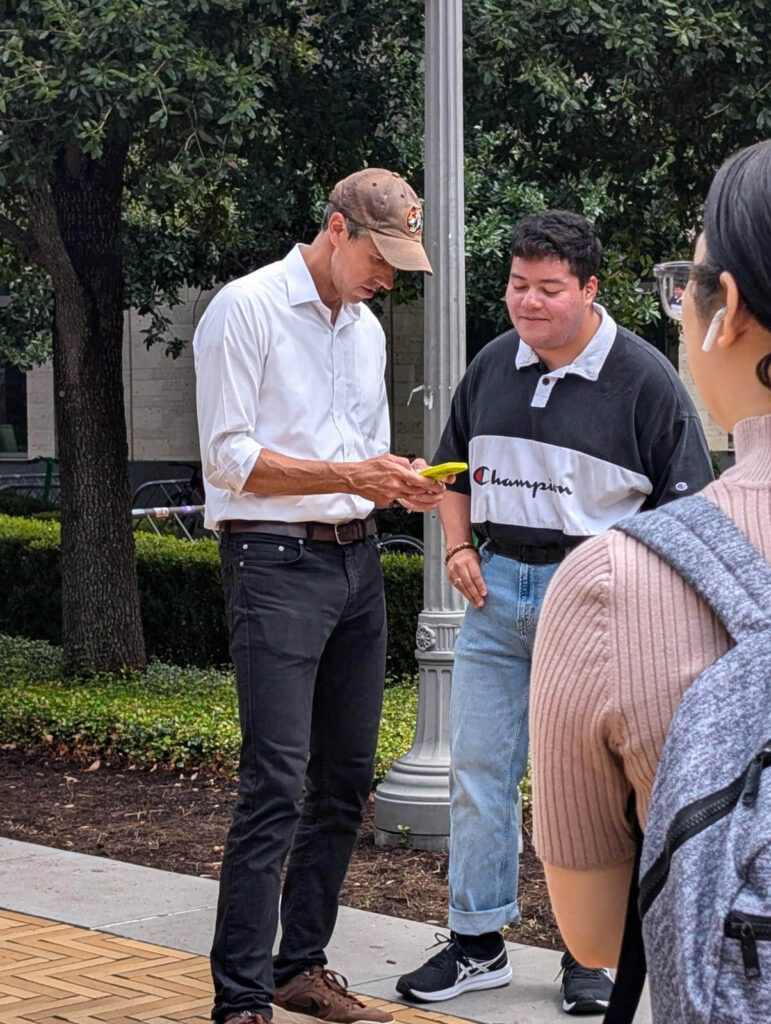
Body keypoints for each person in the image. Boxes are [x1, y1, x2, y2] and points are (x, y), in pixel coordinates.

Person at [395, 210, 714, 1016]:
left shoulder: (644, 379)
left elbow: (686, 514)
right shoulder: (493, 363)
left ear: (588, 289)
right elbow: (451, 469)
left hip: (599, 607)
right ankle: (476, 944)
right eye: (516, 286)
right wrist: (459, 550)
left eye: (547, 289)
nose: (526, 304)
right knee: (476, 771)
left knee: (591, 795)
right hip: (496, 591)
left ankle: (590, 958)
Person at [194, 168, 446, 1024]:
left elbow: (357, 456)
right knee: (274, 781)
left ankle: (298, 967)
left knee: (342, 781)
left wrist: (395, 484)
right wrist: (348, 474)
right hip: (271, 561)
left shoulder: (365, 330)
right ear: (337, 230)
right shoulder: (246, 308)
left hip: (356, 562)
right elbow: (228, 460)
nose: (387, 277)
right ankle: (239, 998)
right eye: (380, 256)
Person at [529, 142, 771, 967]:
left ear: (726, 307)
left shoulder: (614, 581)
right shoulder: (497, 368)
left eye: (687, 283)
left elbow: (596, 936)